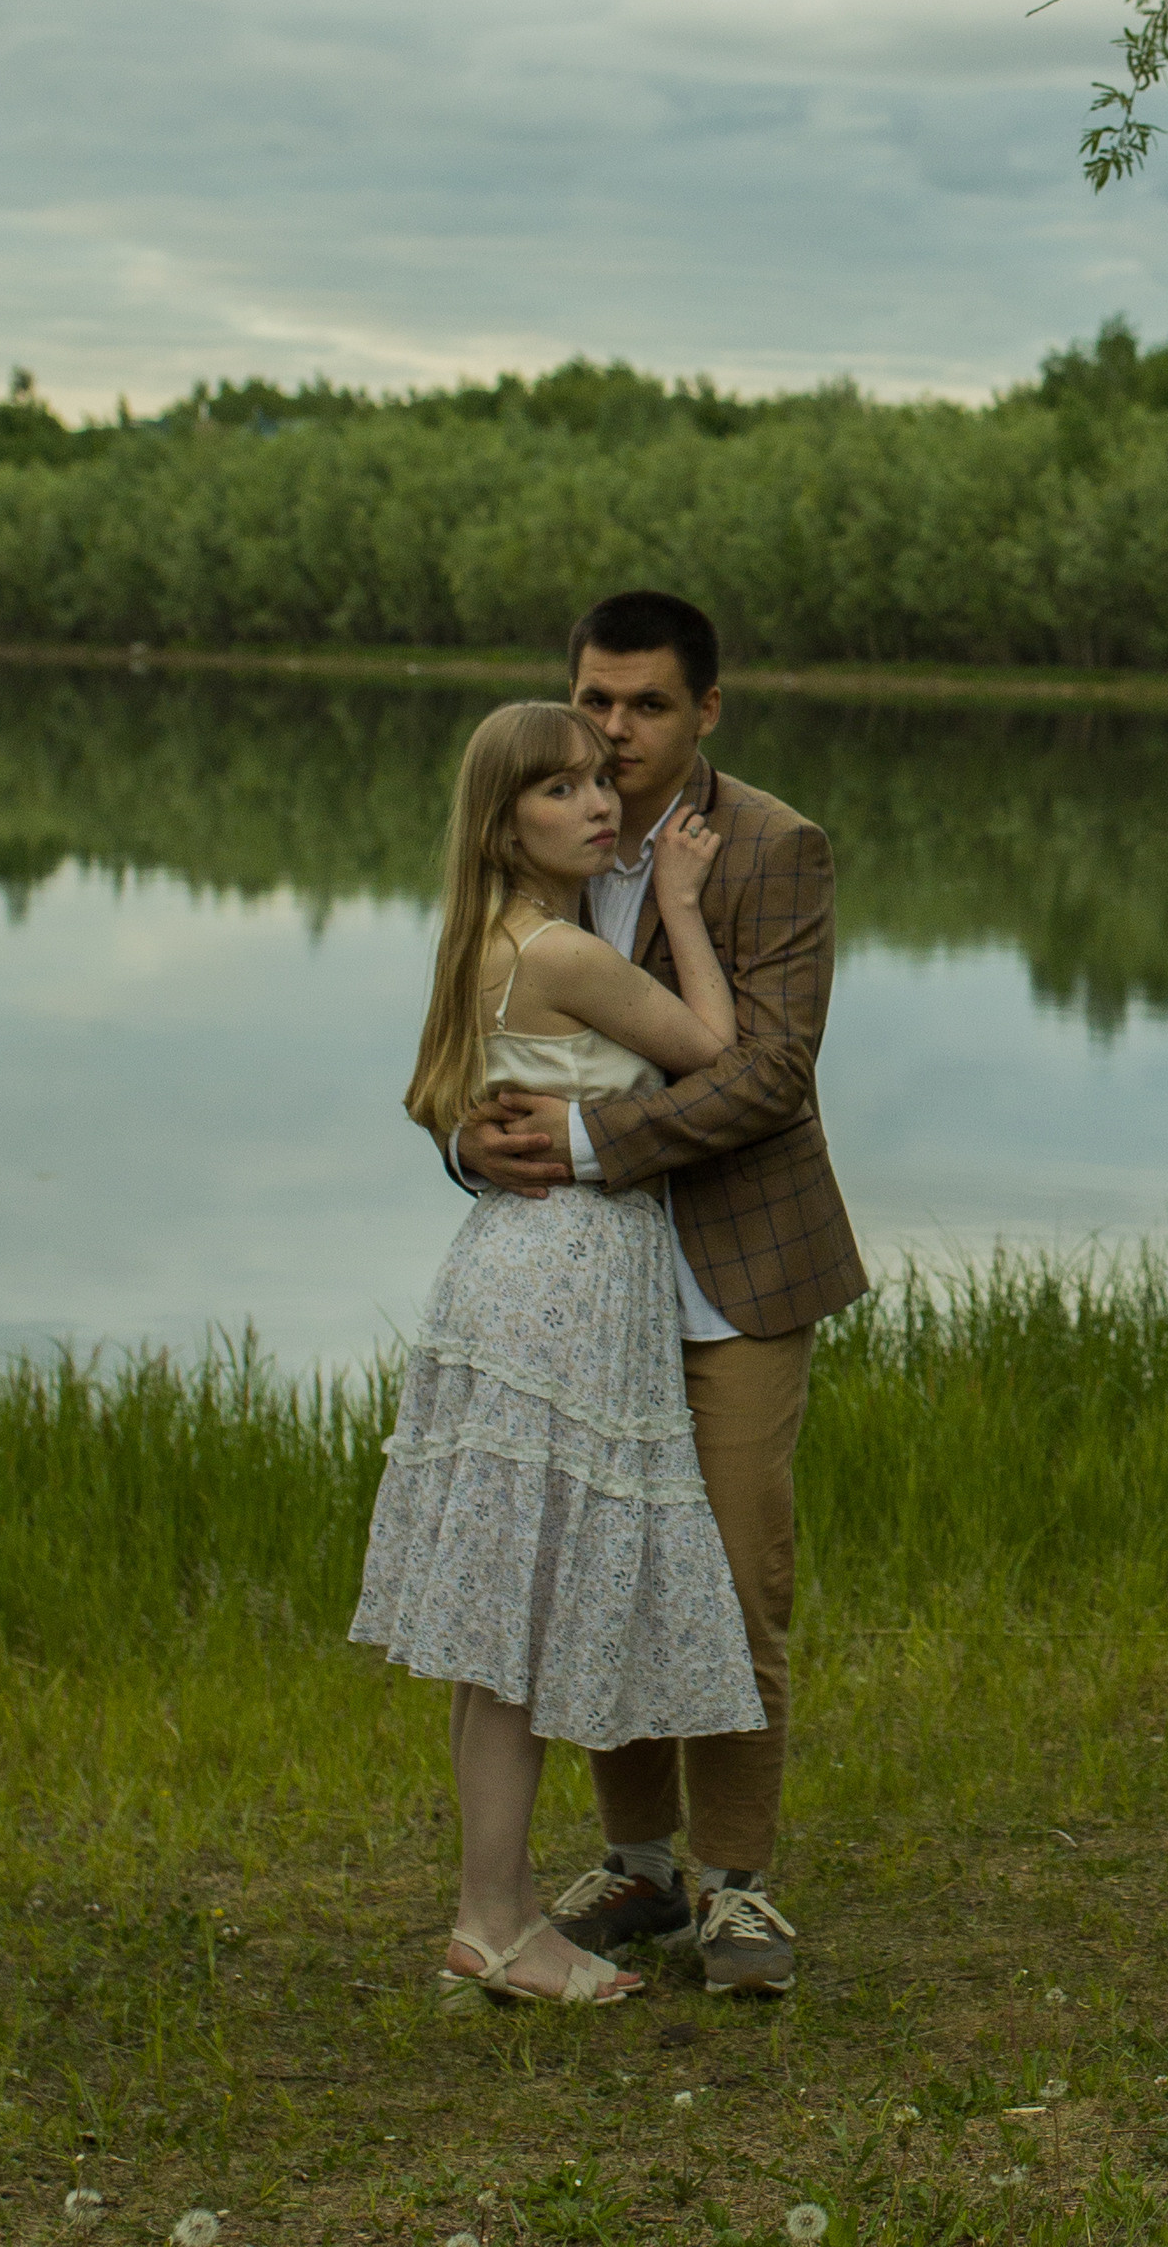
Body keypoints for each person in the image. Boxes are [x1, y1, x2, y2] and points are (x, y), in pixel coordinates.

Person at [454, 589, 866, 1995]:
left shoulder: (772, 845)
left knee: (738, 1574)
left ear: (705, 711)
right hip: (589, 1294)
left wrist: (578, 1147)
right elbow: (492, 1025)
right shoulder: (546, 823)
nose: (613, 731)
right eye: (594, 699)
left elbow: (763, 1074)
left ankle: (737, 1890)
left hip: (738, 1273)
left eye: (642, 706)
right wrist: (471, 1138)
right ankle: (637, 1870)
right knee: (608, 1577)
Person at [350, 697, 768, 2007]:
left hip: (504, 1273)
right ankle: (496, 1920)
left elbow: (451, 1100)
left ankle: (497, 1913)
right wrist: (687, 911)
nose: (597, 804)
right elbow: (715, 1052)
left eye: (600, 782)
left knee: (500, 1626)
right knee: (520, 1623)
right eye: (560, 791)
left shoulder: (481, 934)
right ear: (502, 819)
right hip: (568, 1286)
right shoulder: (563, 955)